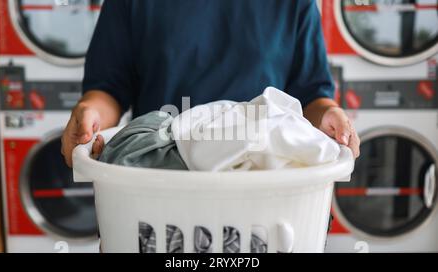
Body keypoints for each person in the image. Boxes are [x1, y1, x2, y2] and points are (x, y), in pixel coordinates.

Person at [61, 0, 360, 167]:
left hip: (265, 185)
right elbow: (109, 90)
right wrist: (90, 115)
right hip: (159, 174)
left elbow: (311, 97)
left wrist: (330, 116)